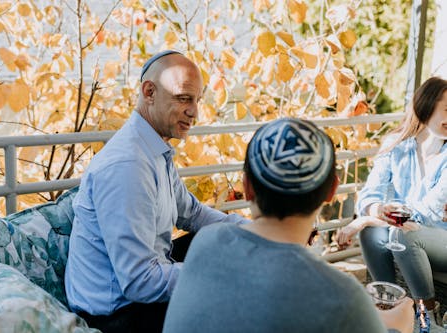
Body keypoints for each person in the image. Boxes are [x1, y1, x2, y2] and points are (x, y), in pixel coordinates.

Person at [163, 118, 414, 333]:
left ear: (247, 187)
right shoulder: (342, 297)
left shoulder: (206, 242)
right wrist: (398, 326)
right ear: (332, 191)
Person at [64, 50, 247, 333]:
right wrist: (219, 276)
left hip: (139, 290)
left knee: (227, 242)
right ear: (149, 92)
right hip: (118, 317)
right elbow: (140, 281)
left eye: (197, 100)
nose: (194, 111)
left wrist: (260, 233)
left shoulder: (153, 149)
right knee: (241, 299)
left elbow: (192, 213)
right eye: (184, 98)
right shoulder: (128, 166)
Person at [337, 76, 447, 323]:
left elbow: (427, 212)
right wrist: (373, 210)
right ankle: (388, 306)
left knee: (401, 234)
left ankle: (427, 314)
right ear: (426, 107)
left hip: (441, 237)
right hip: (407, 229)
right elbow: (370, 194)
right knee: (372, 235)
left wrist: (365, 220)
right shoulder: (396, 145)